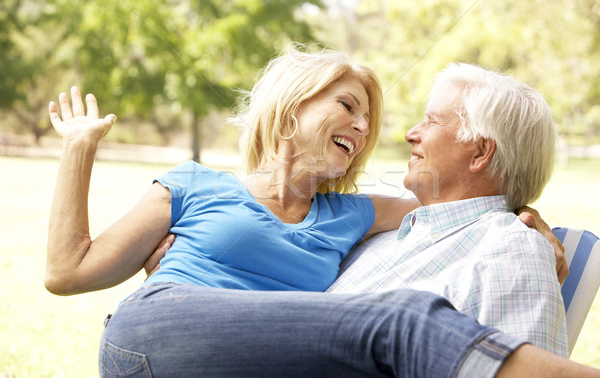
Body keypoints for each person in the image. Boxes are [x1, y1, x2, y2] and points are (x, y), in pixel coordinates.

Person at [45, 48, 592, 378]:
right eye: (346, 106)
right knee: (403, 321)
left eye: (367, 120)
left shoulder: (352, 214)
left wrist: (524, 218)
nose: (364, 128)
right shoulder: (195, 184)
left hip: (241, 367)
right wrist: (79, 146)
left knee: (400, 323)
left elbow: (465, 204)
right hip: (159, 326)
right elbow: (67, 272)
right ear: (291, 108)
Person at [326, 63, 568, 355]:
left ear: (480, 152)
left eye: (431, 122)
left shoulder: (512, 253)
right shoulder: (388, 232)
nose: (410, 134)